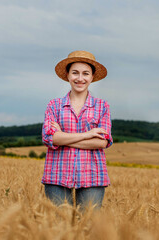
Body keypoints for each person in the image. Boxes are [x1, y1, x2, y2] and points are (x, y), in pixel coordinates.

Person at [41, 50, 113, 211]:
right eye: (75, 73)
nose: (80, 78)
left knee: (87, 228)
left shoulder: (102, 106)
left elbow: (102, 142)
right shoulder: (54, 105)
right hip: (56, 174)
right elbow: (49, 138)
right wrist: (87, 135)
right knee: (59, 228)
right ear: (67, 75)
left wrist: (63, 137)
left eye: (85, 73)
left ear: (92, 77)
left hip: (92, 175)